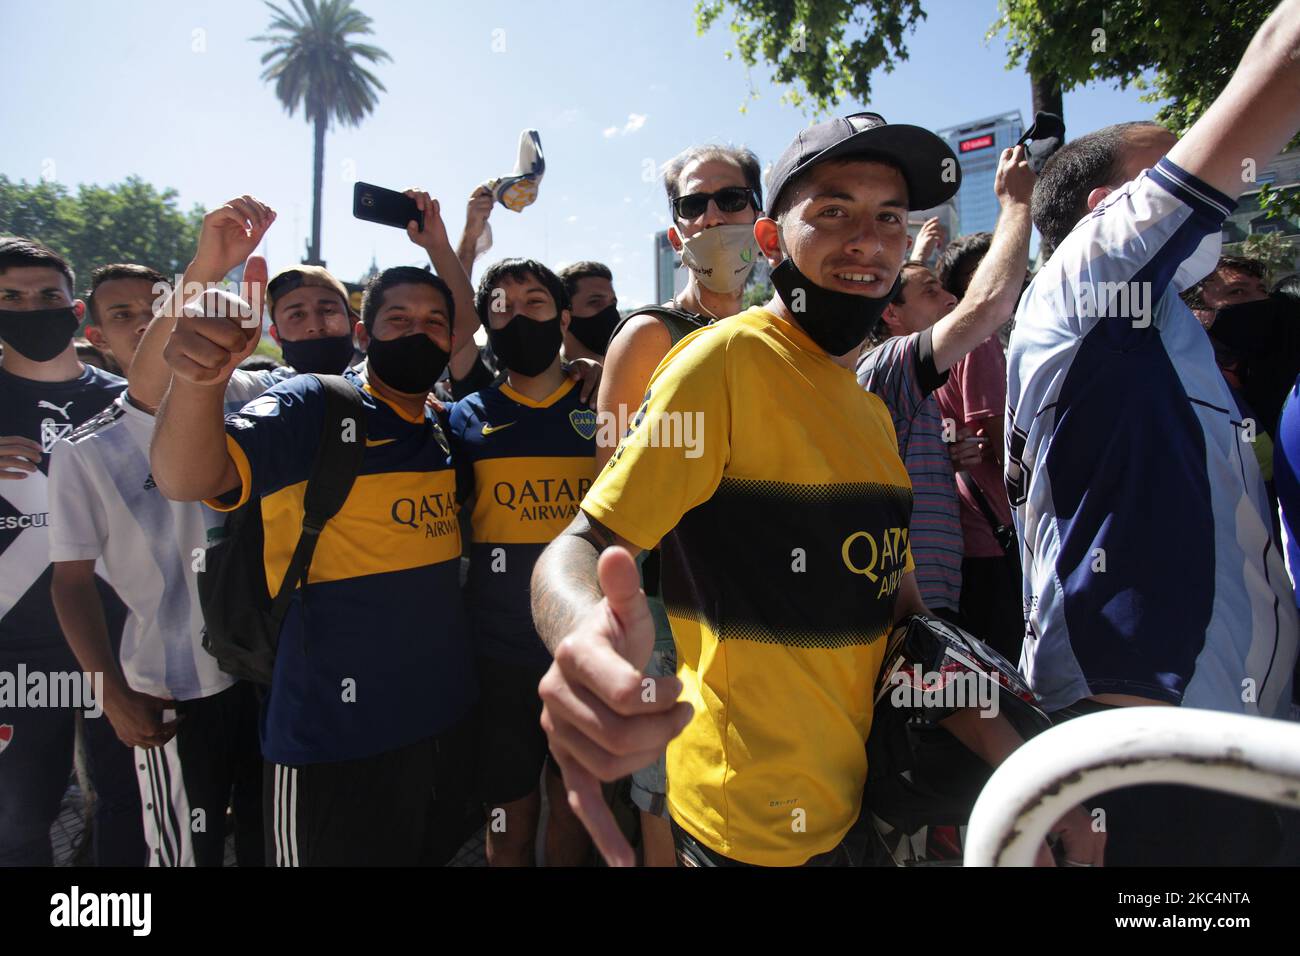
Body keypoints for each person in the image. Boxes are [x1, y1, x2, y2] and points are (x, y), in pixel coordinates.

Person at [530, 113, 1100, 868]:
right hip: (743, 832)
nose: (866, 239)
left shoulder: (869, 410)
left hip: (854, 809)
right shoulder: (723, 363)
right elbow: (587, 543)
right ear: (771, 241)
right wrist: (585, 643)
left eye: (888, 218)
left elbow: (905, 618)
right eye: (832, 212)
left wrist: (1016, 757)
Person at [1007, 0, 1300, 864]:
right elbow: (1283, 56)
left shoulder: (1166, 330)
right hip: (1145, 765)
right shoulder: (1085, 278)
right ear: (1108, 208)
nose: (1226, 186)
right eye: (1174, 163)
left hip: (1231, 751)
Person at [150, 245, 479, 865]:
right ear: (364, 333)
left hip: (441, 721)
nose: (418, 331)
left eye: (434, 321)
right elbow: (188, 476)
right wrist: (200, 379)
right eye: (398, 320)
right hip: (329, 731)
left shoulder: (445, 427)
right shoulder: (318, 405)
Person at [48, 264, 268, 867]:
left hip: (270, 675)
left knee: (268, 842)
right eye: (124, 316)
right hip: (172, 689)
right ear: (96, 337)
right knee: (182, 854)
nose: (148, 324)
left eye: (159, 307)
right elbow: (70, 584)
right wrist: (108, 692)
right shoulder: (85, 451)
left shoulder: (249, 394)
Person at [593, 143, 764, 866]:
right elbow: (608, 481)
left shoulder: (777, 334)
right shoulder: (649, 334)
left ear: (762, 219)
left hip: (757, 602)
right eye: (693, 205)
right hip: (670, 607)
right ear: (676, 232)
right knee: (663, 789)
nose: (712, 216)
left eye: (730, 199)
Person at [0, 237, 144, 866]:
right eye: (11, 297)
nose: (32, 309)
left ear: (76, 311)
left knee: (126, 809)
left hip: (122, 641)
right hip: (18, 652)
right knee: (17, 820)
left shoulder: (128, 398)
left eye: (47, 296)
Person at [448, 258, 595, 866]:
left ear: (563, 317)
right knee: (508, 813)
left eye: (534, 303)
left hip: (585, 649)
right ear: (486, 322)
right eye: (501, 307)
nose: (518, 316)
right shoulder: (464, 416)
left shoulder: (605, 402)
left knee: (573, 805)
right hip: (497, 650)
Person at [856, 147, 1035, 630]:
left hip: (935, 593)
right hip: (913, 606)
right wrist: (1017, 205)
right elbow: (989, 305)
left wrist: (941, 451)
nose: (951, 298)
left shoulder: (908, 384)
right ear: (890, 316)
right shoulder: (886, 366)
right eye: (934, 291)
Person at [930, 232, 1024, 657]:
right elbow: (1003, 445)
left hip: (962, 541)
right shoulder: (978, 341)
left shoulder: (933, 347)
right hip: (998, 533)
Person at [557, 261, 618, 361]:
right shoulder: (549, 375)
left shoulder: (631, 372)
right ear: (564, 318)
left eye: (613, 303)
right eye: (595, 302)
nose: (611, 312)